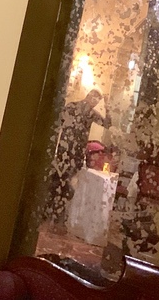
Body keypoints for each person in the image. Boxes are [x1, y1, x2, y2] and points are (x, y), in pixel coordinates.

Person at [47, 89, 110, 227]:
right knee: (56, 182)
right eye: (93, 99)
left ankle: (59, 216)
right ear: (88, 96)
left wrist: (106, 107)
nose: (94, 103)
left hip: (77, 155)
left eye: (96, 101)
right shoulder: (71, 107)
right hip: (64, 152)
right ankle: (49, 213)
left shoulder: (92, 114)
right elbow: (57, 123)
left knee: (69, 187)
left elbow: (107, 124)